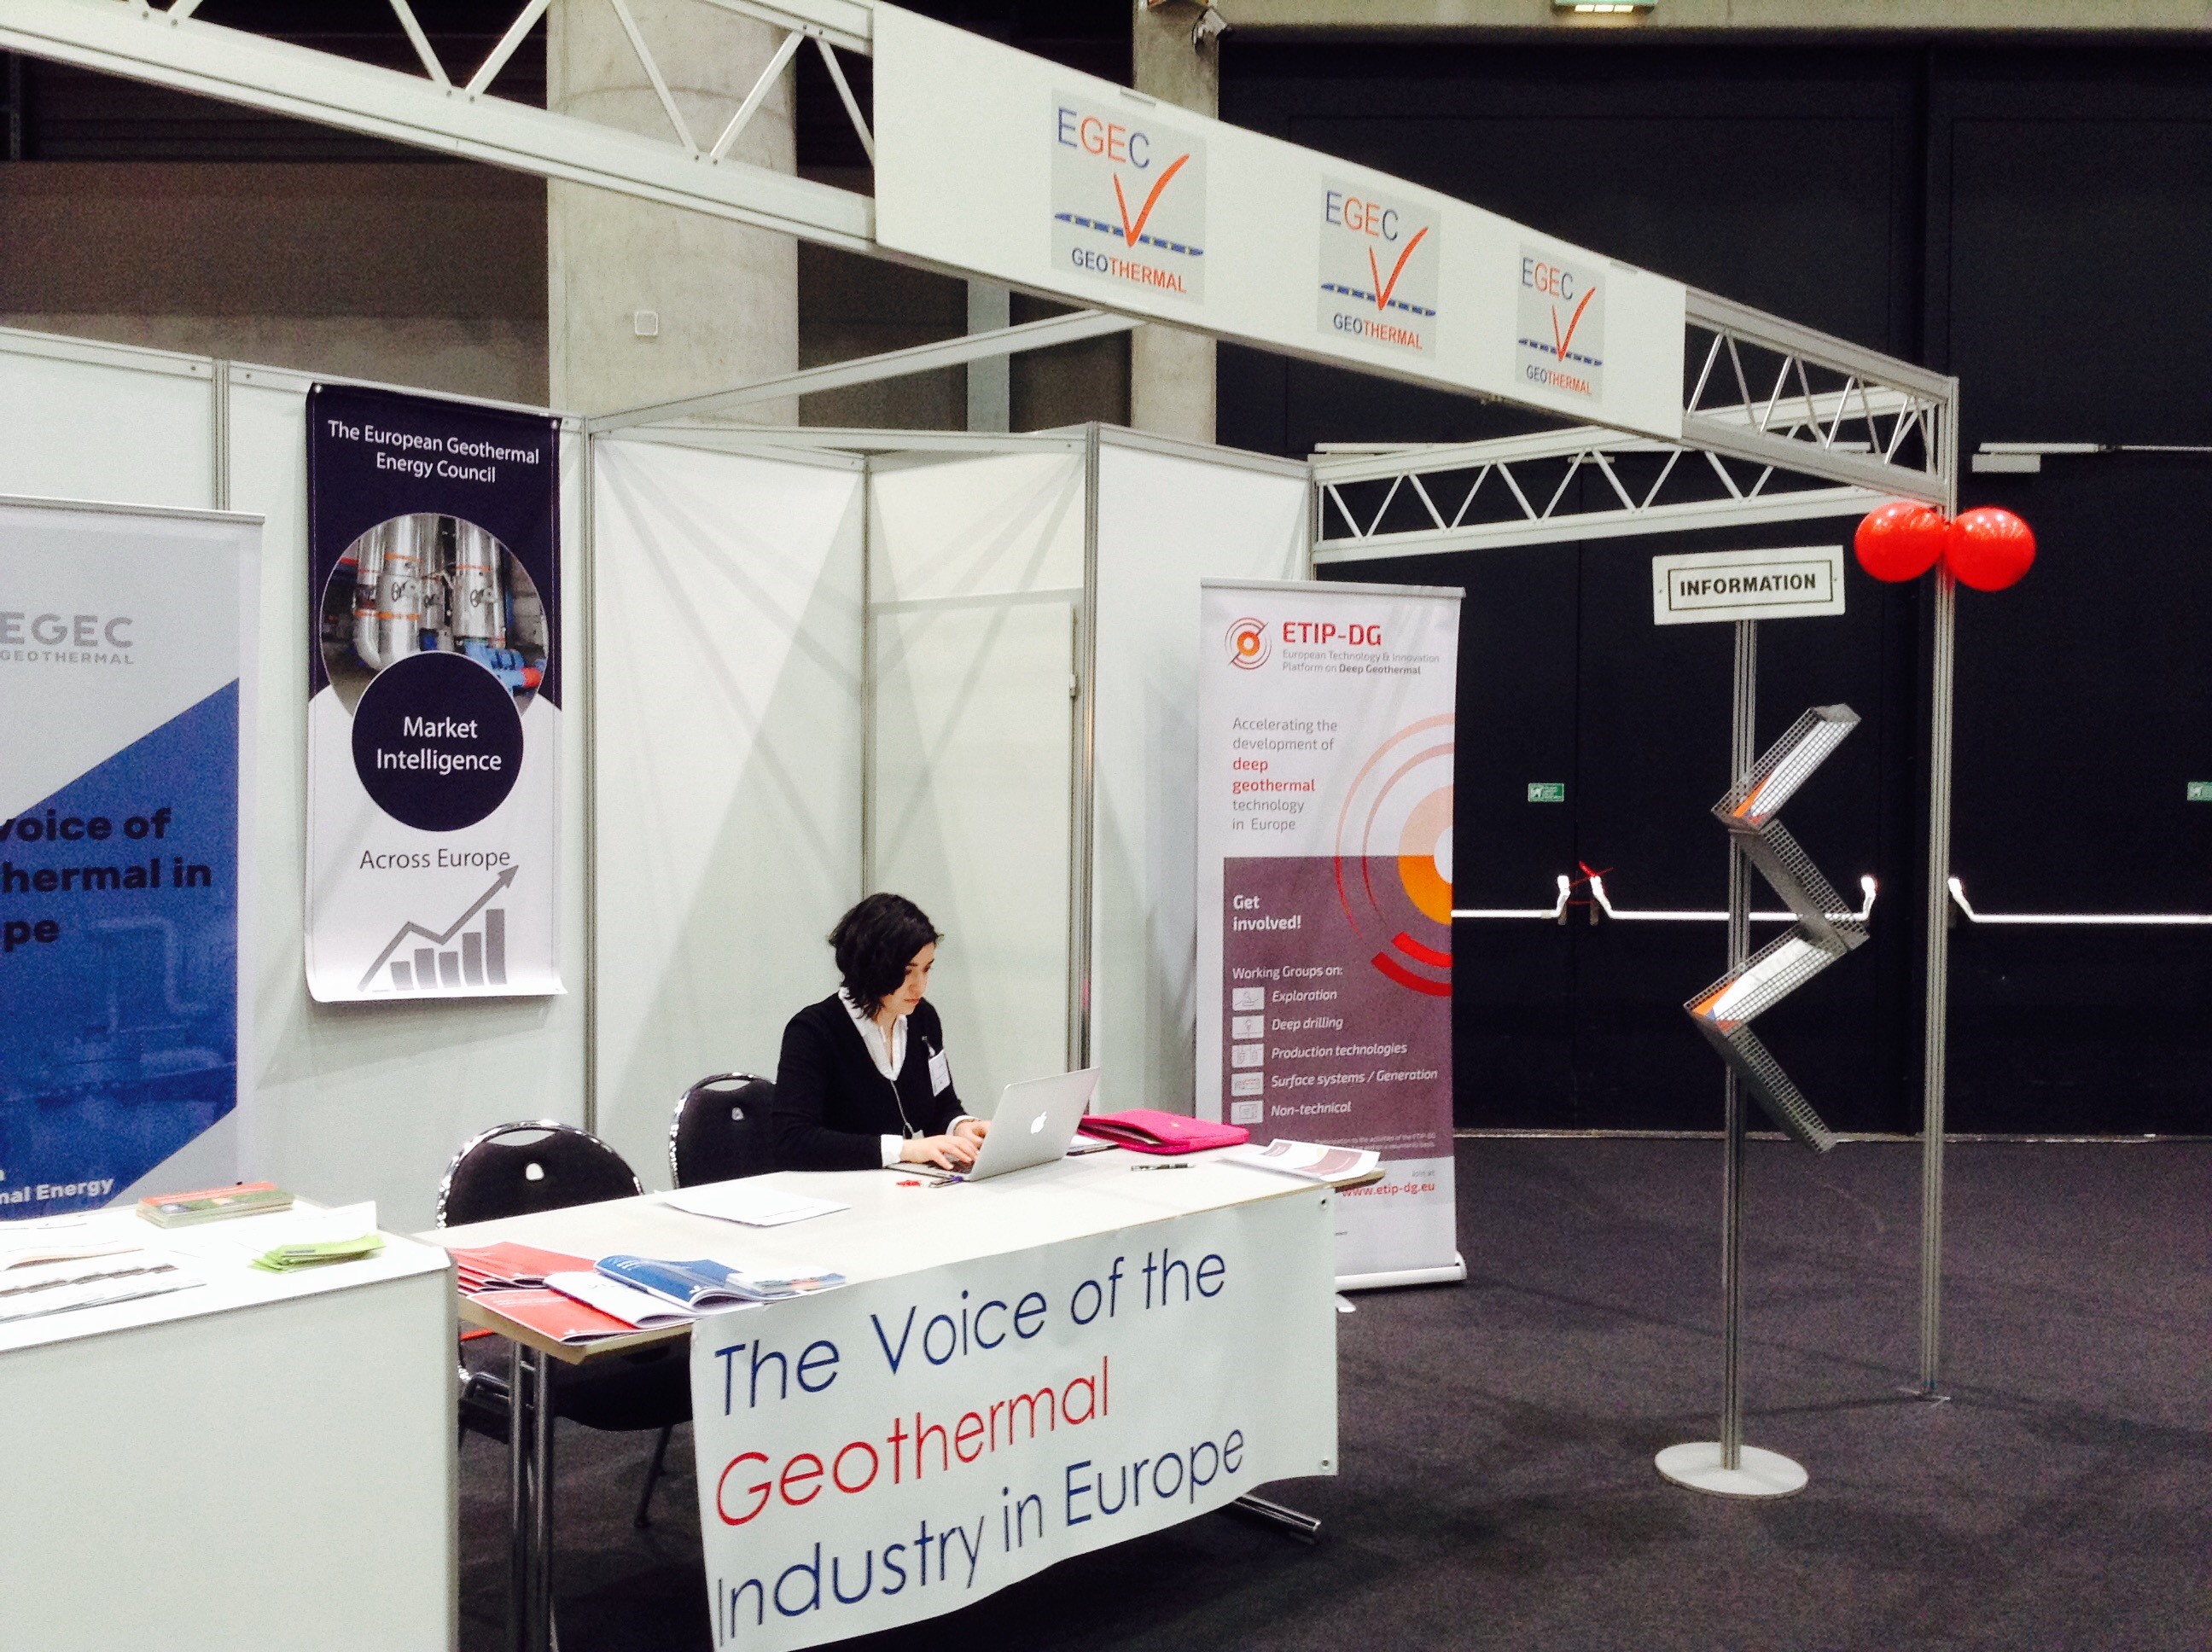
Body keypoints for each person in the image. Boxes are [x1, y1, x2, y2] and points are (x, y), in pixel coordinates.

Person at [771, 893, 991, 1172]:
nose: (920, 986)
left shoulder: (923, 1018)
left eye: (926, 969)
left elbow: (941, 1107)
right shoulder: (813, 1031)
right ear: (873, 967)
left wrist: (961, 1127)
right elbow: (792, 1141)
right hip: (835, 1189)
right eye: (907, 972)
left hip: (894, 1186)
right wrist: (904, 1150)